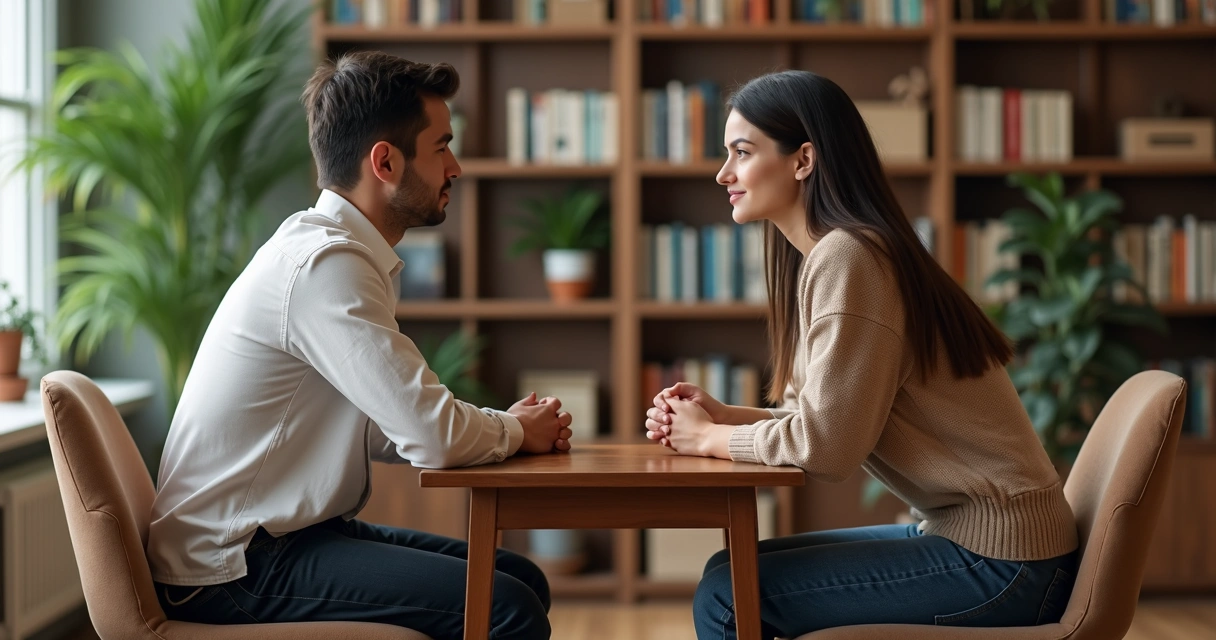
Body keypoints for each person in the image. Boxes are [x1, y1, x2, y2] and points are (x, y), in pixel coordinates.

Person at [146, 52, 569, 640]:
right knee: (507, 606)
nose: (456, 167)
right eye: (442, 146)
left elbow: (382, 426)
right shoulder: (325, 267)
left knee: (518, 577)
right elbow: (432, 437)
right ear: (385, 161)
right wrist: (515, 431)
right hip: (233, 563)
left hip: (283, 538)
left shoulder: (332, 253)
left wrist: (503, 428)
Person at [644, 70, 1079, 640]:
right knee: (727, 571)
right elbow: (822, 420)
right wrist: (728, 419)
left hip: (1006, 561)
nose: (723, 173)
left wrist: (709, 439)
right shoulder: (841, 251)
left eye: (742, 153)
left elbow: (827, 448)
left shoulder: (849, 257)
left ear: (803, 160)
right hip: (988, 542)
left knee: (729, 596)